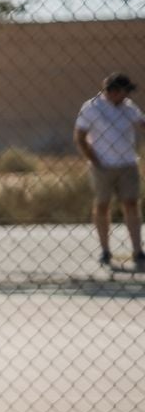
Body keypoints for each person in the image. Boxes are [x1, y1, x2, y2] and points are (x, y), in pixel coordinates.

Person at [75, 72, 144, 269]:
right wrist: (94, 160)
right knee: (103, 205)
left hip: (127, 163)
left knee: (131, 203)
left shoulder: (128, 107)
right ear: (112, 91)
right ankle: (105, 250)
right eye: (124, 91)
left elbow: (141, 123)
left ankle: (137, 250)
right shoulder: (92, 108)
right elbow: (79, 136)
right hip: (102, 165)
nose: (126, 95)